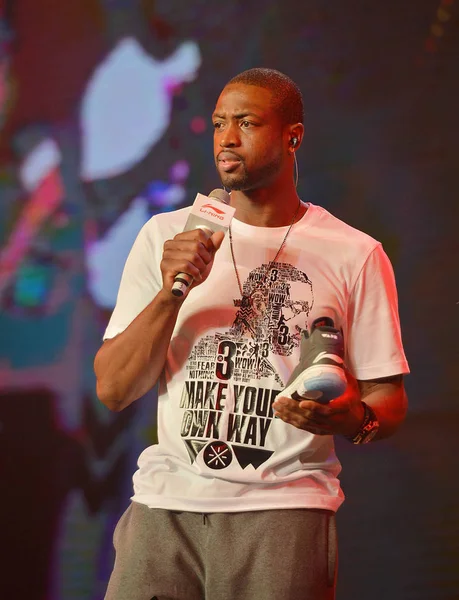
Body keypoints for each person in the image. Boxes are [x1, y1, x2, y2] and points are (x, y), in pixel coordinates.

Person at [94, 67, 409, 600]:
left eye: (246, 122)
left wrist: (347, 417)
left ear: (293, 136)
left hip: (284, 512)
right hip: (163, 509)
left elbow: (389, 402)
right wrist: (175, 289)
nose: (227, 139)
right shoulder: (167, 236)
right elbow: (114, 389)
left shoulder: (355, 254)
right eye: (219, 124)